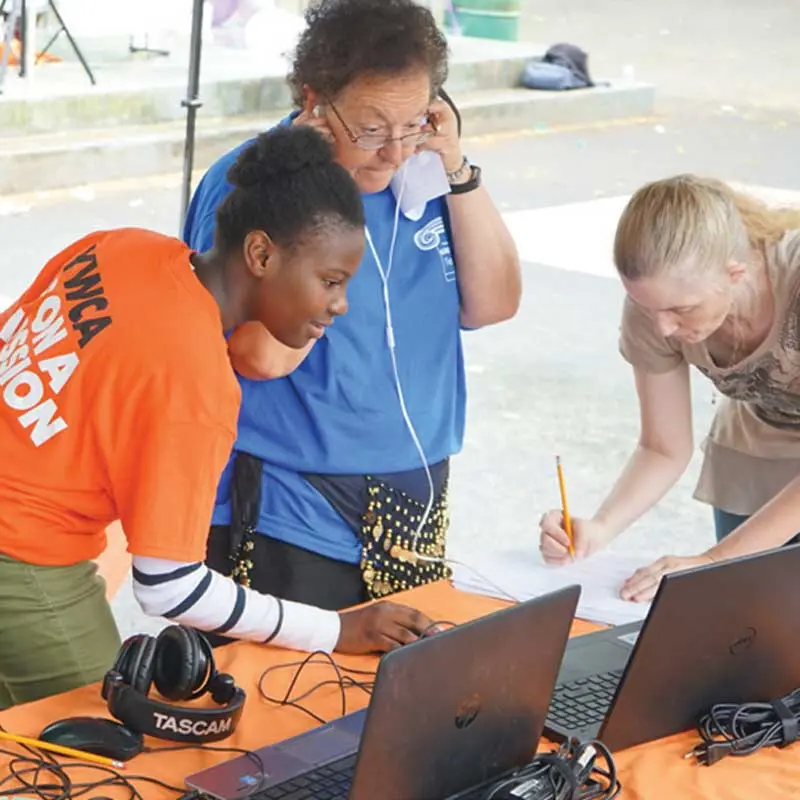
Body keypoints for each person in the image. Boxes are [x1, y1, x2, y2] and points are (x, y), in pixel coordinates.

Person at [0, 125, 437, 710]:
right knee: (105, 756)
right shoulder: (196, 378)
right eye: (330, 281)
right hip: (23, 556)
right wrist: (339, 630)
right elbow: (169, 585)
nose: (340, 304)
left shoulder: (120, 244)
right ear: (260, 254)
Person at [183, 0, 521, 629]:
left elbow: (495, 303)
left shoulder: (426, 176)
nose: (394, 151)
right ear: (315, 102)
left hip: (413, 499)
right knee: (294, 705)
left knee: (398, 708)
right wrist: (328, 220)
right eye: (370, 129)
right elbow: (254, 354)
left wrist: (457, 170)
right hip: (290, 500)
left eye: (415, 121)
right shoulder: (256, 184)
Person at [539, 174, 800, 602]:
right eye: (649, 308)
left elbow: (717, 562)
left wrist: (715, 560)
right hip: (756, 451)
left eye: (683, 310)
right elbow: (663, 446)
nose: (663, 328)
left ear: (736, 273)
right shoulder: (655, 305)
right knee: (748, 624)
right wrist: (600, 528)